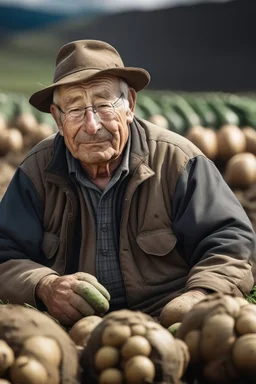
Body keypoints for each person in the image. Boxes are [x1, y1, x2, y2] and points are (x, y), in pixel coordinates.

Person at [0, 39, 255, 327]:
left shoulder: (178, 161)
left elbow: (230, 242)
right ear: (58, 119)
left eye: (103, 105)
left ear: (130, 105)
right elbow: (4, 251)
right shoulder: (36, 170)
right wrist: (44, 285)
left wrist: (200, 294)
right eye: (74, 109)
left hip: (166, 320)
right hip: (68, 326)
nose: (92, 125)